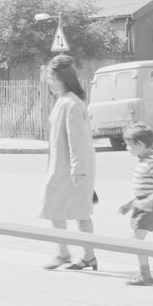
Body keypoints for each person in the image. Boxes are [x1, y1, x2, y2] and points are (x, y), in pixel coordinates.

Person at [40, 55, 98, 271]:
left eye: (51, 78)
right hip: (65, 168)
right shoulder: (65, 101)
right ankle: (67, 253)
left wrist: (78, 170)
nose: (49, 82)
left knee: (78, 212)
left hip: (72, 170)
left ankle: (84, 256)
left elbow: (78, 140)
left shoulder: (70, 103)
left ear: (61, 78)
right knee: (58, 210)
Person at [119, 122, 153, 286]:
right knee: (134, 241)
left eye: (129, 145)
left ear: (140, 144)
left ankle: (147, 275)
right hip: (141, 206)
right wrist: (130, 204)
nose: (127, 148)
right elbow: (142, 190)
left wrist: (150, 201)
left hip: (149, 208)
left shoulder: (151, 162)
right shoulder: (143, 161)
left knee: (135, 241)